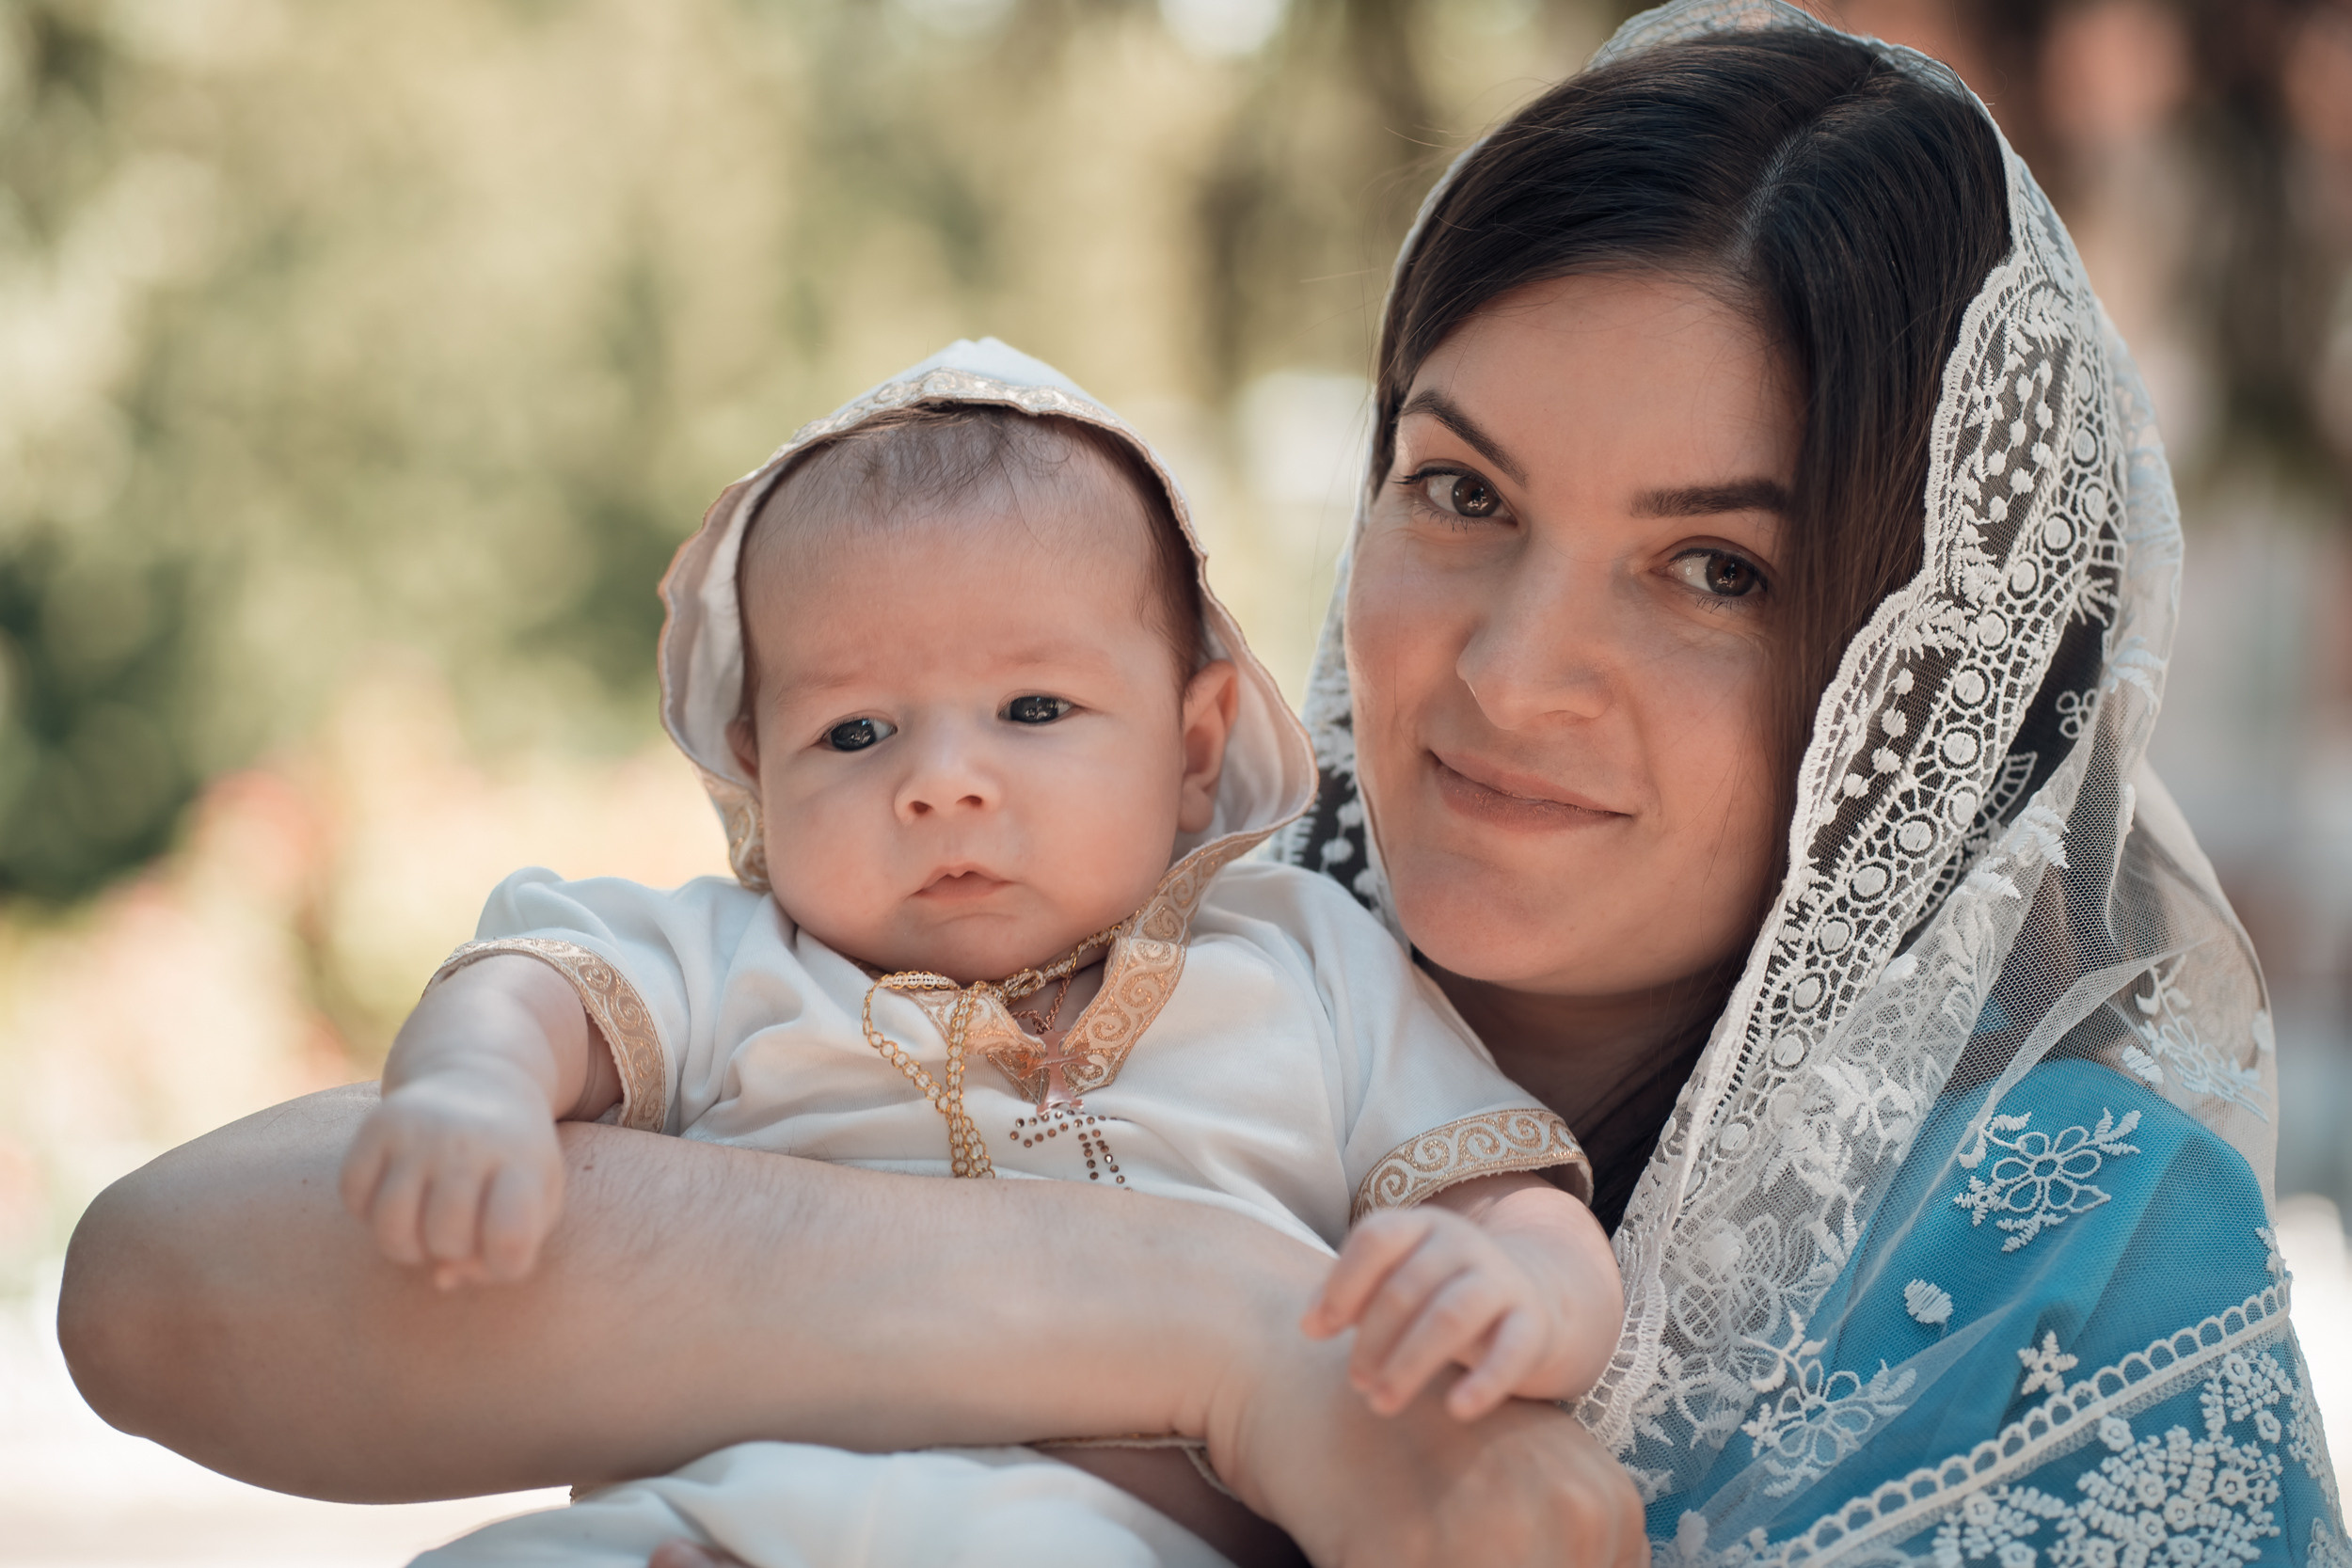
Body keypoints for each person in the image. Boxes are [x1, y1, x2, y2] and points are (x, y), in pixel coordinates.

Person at [56, 2, 2350, 1564]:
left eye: (1714, 571)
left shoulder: (2060, 1242)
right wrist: (1230, 1336)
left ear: (1923, 672)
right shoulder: (1132, 937)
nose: (1509, 672)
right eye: (1458, 493)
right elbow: (164, 1293)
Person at [347, 339, 1616, 1567]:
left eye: (1032, 709)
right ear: (756, 770)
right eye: (856, 733)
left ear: (1192, 747)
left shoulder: (1306, 963)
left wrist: (1523, 1291)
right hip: (725, 1518)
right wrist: (474, 1083)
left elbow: (1505, 1194)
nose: (943, 782)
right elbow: (535, 980)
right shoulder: (727, 960)